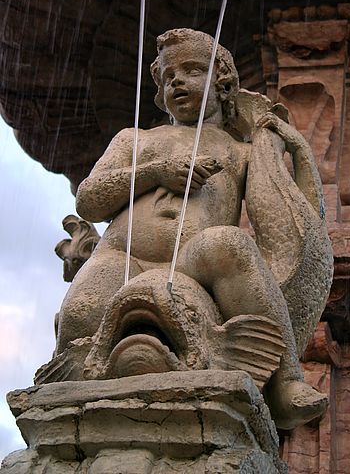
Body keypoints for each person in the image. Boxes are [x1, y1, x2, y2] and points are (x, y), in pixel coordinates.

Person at [57, 28, 331, 429]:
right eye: (169, 77)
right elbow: (90, 200)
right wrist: (157, 173)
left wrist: (285, 148)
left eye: (191, 71)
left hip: (191, 261)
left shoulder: (240, 151)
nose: (177, 82)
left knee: (230, 244)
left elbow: (283, 217)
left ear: (222, 84)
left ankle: (286, 381)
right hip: (123, 254)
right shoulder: (134, 139)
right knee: (81, 314)